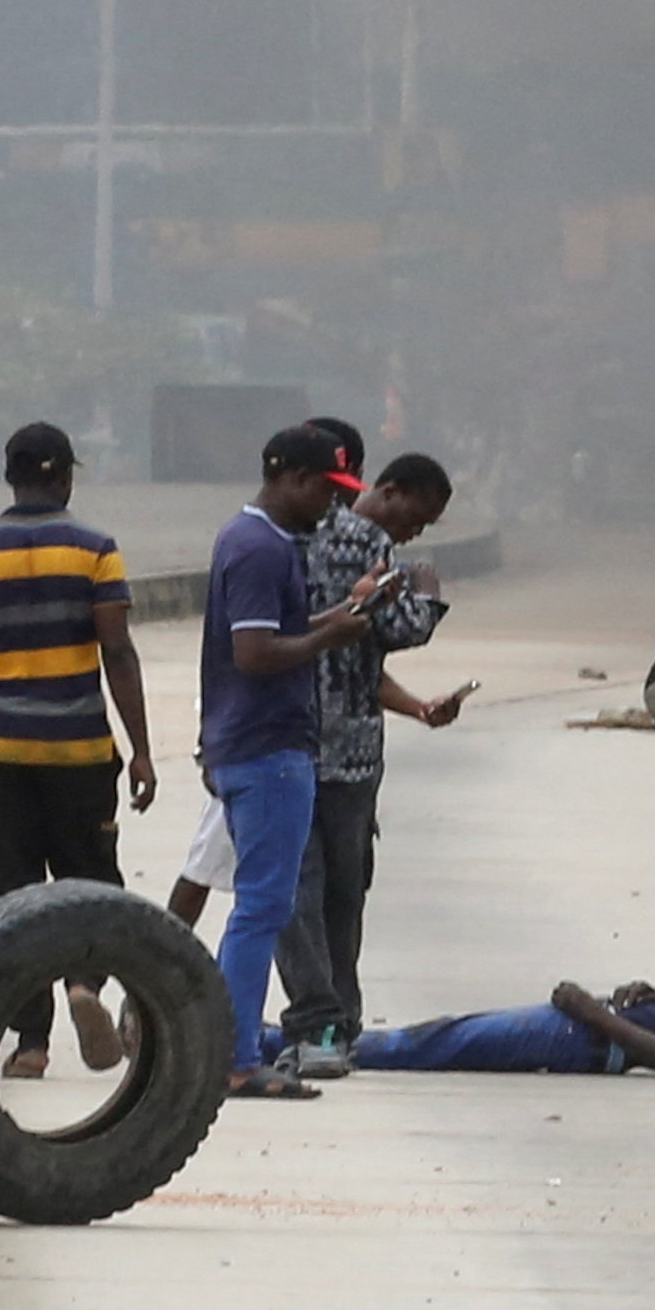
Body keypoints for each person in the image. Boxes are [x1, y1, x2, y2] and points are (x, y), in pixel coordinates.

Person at [0, 422, 154, 1084]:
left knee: (13, 898)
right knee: (89, 882)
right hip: (80, 750)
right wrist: (140, 750)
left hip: (2, 752)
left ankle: (31, 1043)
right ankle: (85, 983)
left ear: (9, 477)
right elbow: (117, 650)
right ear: (65, 480)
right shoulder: (96, 551)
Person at [281, 439, 469, 1078]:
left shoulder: (297, 537)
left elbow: (355, 661)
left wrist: (417, 707)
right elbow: (399, 629)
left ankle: (316, 1022)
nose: (414, 531)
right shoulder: (368, 546)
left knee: (297, 893)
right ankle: (335, 1021)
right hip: (348, 757)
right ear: (388, 492)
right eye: (415, 517)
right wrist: (429, 593)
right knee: (340, 895)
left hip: (292, 742)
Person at [193, 423, 368, 1096]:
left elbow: (271, 637)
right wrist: (330, 640)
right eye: (326, 490)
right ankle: (236, 1056)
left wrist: (339, 618)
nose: (331, 505)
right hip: (268, 749)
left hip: (257, 745)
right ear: (291, 479)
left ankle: (227, 1042)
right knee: (263, 907)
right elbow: (256, 653)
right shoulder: (262, 549)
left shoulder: (255, 541)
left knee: (261, 904)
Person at [343, 985, 655, 1078]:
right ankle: (298, 1040)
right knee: (442, 1037)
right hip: (592, 1026)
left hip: (587, 1039)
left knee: (432, 1043)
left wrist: (596, 1016)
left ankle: (295, 1043)